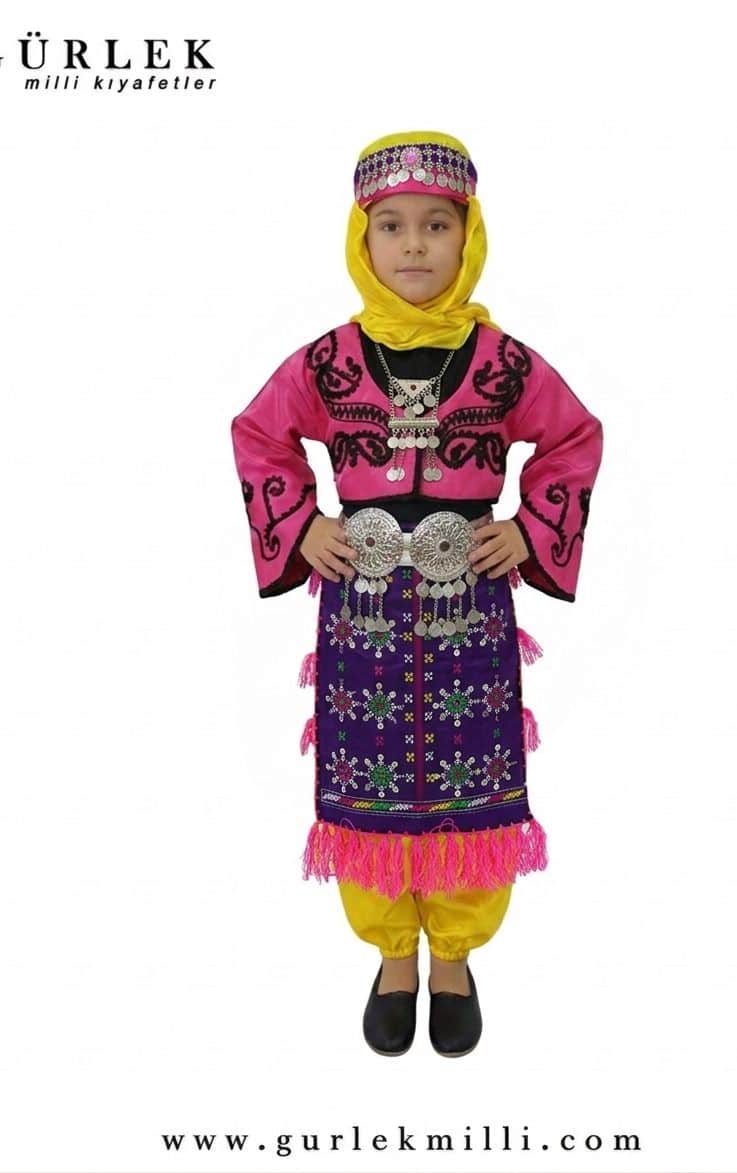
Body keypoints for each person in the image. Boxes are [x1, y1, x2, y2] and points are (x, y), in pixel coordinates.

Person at [230, 131, 603, 1057]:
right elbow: (259, 434)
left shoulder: (504, 362)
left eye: (437, 225)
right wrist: (300, 522)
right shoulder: (328, 361)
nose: (413, 245)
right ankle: (395, 953)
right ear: (361, 240)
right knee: (369, 774)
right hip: (360, 607)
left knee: (475, 772)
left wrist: (530, 528)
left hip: (469, 602)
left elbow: (573, 437)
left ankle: (456, 955)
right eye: (391, 225)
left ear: (469, 235)